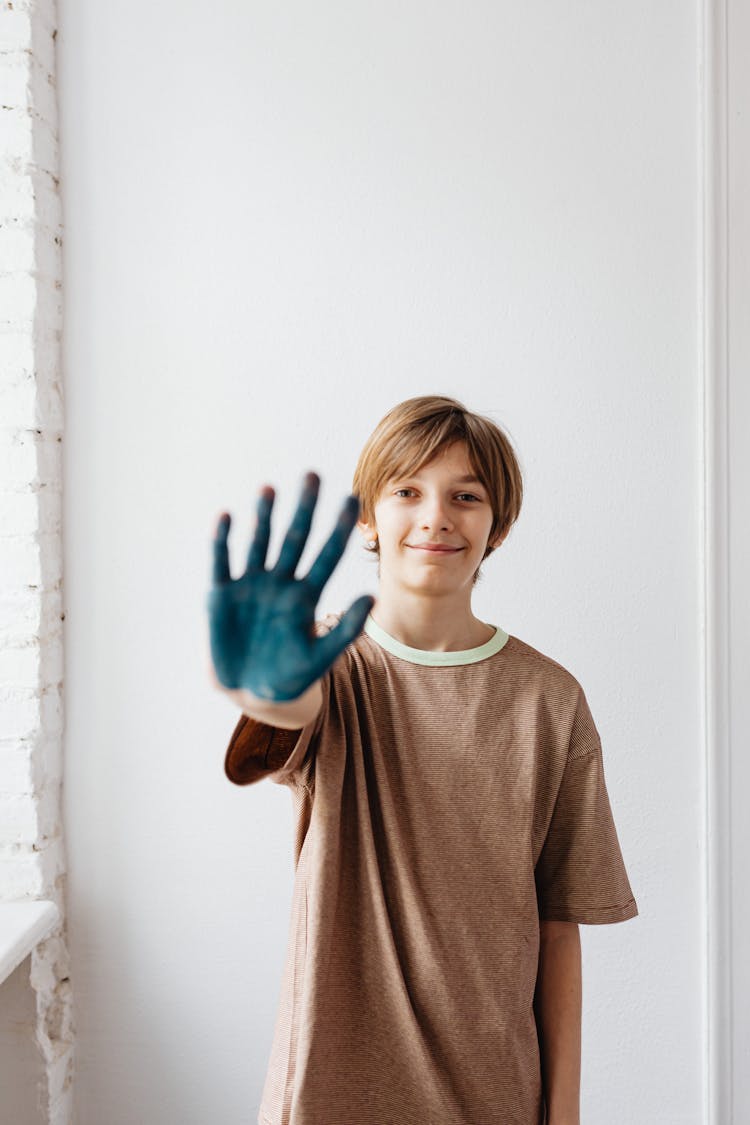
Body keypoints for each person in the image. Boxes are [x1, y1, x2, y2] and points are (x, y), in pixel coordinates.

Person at [206, 395, 639, 1125]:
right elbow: (288, 711)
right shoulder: (328, 665)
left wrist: (562, 1111)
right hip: (327, 1093)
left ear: (497, 525)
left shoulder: (550, 699)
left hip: (493, 1093)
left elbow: (559, 925)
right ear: (368, 518)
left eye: (465, 496)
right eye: (407, 490)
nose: (437, 515)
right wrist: (254, 683)